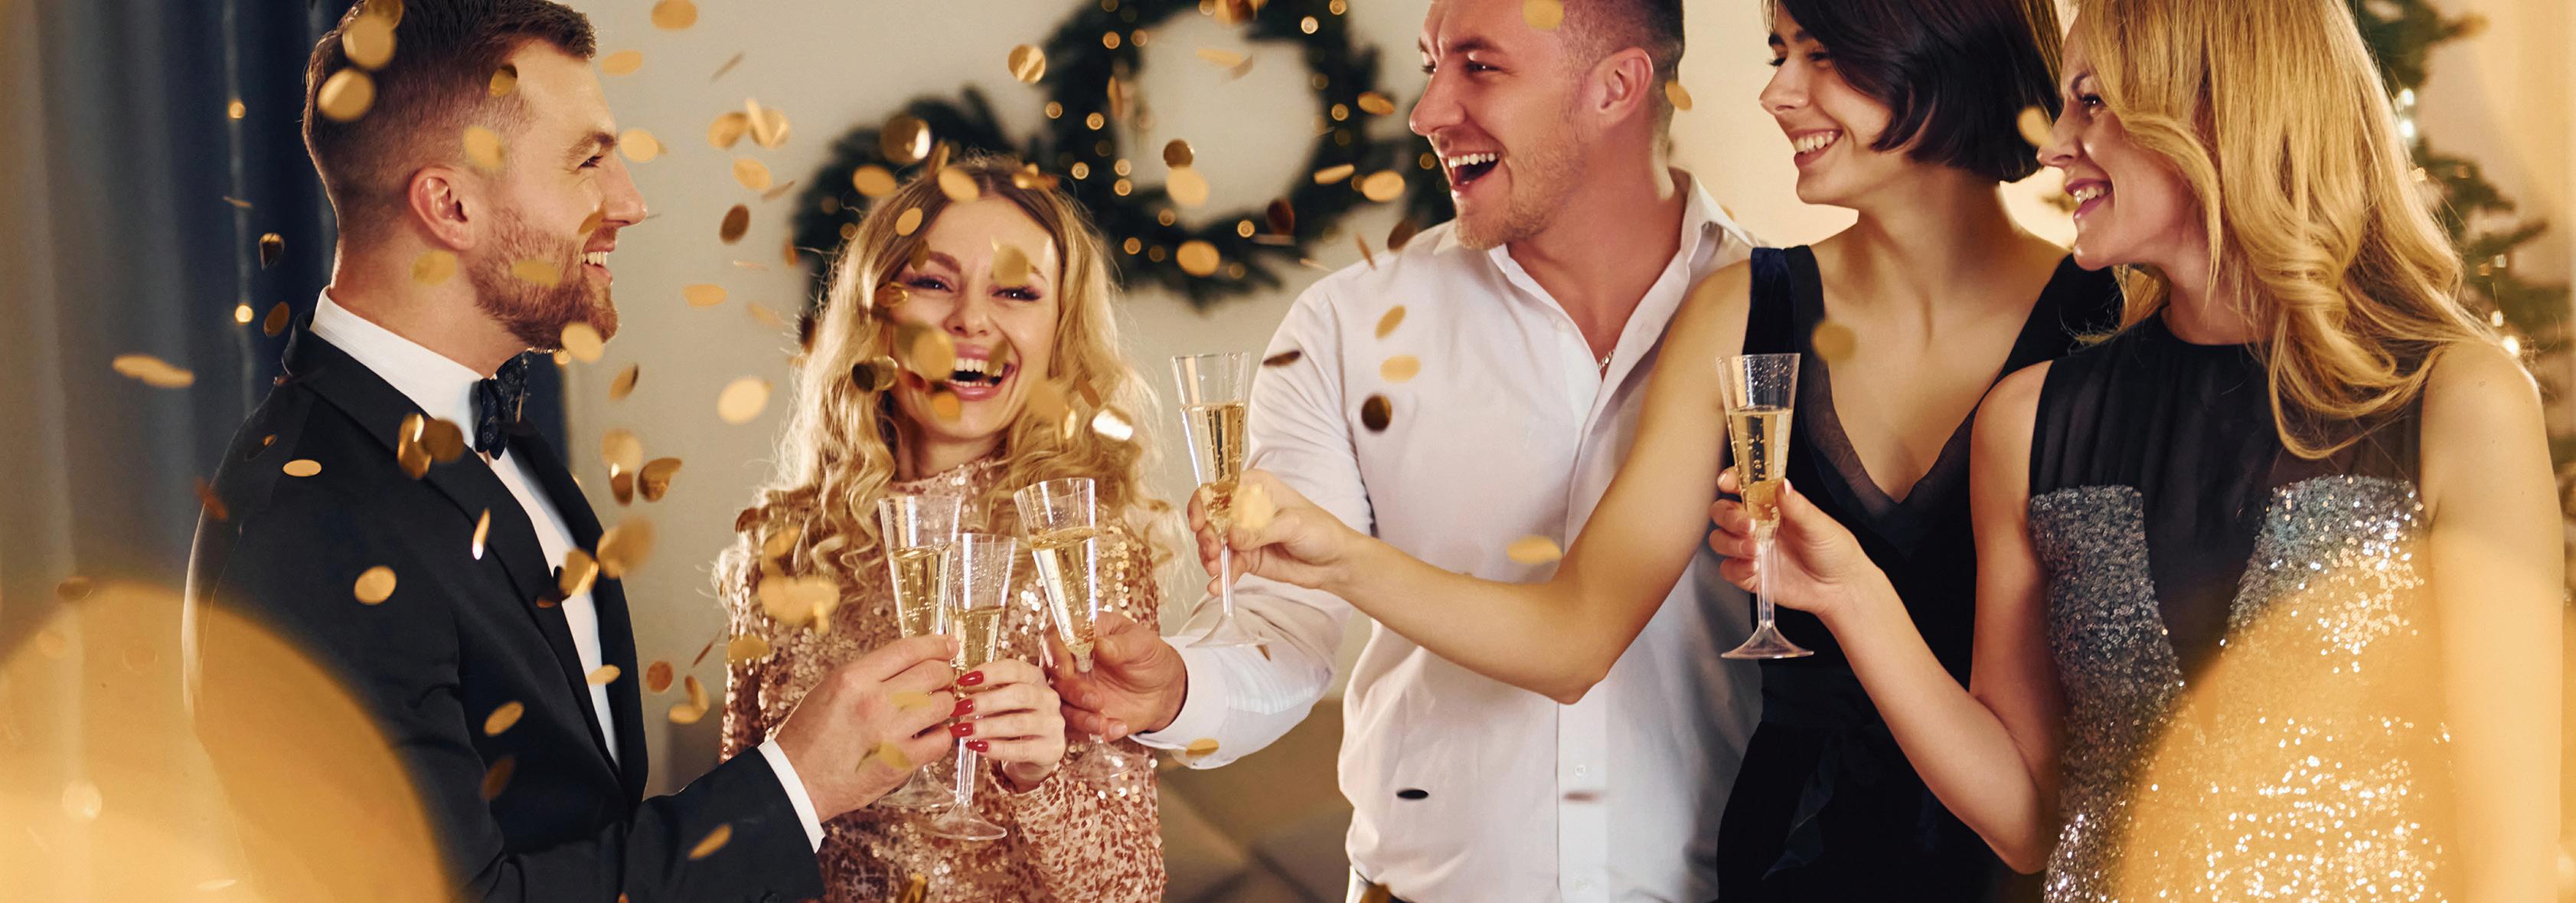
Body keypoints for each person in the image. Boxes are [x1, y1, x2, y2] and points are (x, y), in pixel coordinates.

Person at [1166, 0, 2113, 898]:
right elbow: (1577, 635)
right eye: (1779, 54)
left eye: (1819, 54)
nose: (1773, 93)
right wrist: (1338, 560)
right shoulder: (1742, 308)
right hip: (1785, 864)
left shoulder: (2114, 326)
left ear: (1939, 53)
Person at [1695, 1, 2558, 899]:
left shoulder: (2458, 404)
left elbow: (2515, 847)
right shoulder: (2029, 421)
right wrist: (1852, 595)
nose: (2052, 147)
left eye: (2092, 102)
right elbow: (2027, 823)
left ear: (2218, 111)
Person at [181, 3, 958, 900]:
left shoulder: (486, 425)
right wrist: (796, 783)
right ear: (451, 205)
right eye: (587, 161)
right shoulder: (309, 519)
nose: (628, 203)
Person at [1054, 0, 1764, 898]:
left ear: (1616, 87)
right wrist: (1177, 691)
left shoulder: (1783, 316)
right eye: (1432, 65)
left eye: (1478, 65)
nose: (1426, 112)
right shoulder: (1344, 326)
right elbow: (1282, 624)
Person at [716, 155, 1170, 901]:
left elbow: (1131, 890)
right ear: (877, 313)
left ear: (1057, 333)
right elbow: (734, 845)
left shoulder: (1086, 553)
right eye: (932, 282)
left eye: (1016, 292)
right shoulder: (783, 550)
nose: (972, 320)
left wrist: (1039, 778)